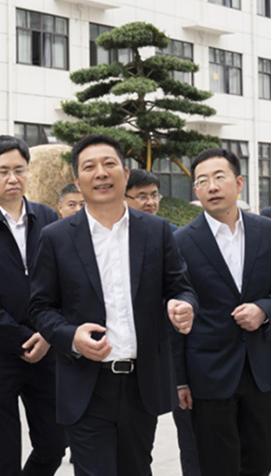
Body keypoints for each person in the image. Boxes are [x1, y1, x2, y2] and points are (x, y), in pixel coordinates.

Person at [29, 134, 197, 476]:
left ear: (124, 172)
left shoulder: (156, 231)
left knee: (137, 468)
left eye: (109, 164)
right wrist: (71, 336)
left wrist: (183, 305)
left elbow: (180, 287)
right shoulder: (56, 237)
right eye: (89, 167)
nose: (100, 173)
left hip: (141, 383)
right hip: (86, 384)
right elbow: (40, 308)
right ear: (77, 180)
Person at [0, 136, 65, 476]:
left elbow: (64, 282)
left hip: (45, 351)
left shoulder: (47, 217)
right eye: (3, 171)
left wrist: (47, 334)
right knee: (3, 455)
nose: (12, 178)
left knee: (54, 443)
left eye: (19, 170)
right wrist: (18, 339)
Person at [173, 148, 271, 476]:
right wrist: (180, 380)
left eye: (219, 177)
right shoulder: (181, 242)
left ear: (239, 182)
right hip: (208, 374)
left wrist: (264, 309)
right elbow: (173, 310)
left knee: (259, 462)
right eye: (202, 181)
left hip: (261, 369)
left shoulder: (266, 232)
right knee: (217, 465)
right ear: (196, 192)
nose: (212, 186)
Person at [125, 168, 195, 475]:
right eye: (142, 196)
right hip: (107, 354)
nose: (150, 202)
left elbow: (182, 287)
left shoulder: (169, 233)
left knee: (140, 451)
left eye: (154, 195)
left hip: (155, 354)